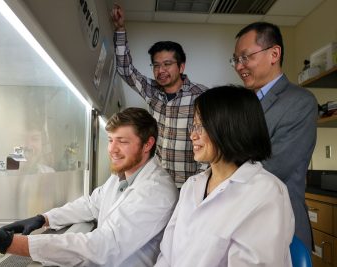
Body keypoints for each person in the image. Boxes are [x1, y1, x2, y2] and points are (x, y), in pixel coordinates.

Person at [0, 107, 179, 267]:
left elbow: (105, 246)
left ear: (148, 144)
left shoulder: (155, 190)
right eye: (110, 140)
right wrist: (43, 218)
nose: (112, 150)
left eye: (122, 142)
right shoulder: (123, 177)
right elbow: (90, 204)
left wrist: (4, 243)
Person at [155, 85, 295, 266]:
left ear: (229, 128)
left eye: (201, 126)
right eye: (193, 125)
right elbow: (167, 254)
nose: (192, 135)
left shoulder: (266, 193)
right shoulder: (192, 185)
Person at [231, 22, 318, 251]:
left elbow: (273, 168)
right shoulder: (243, 104)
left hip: (280, 226)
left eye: (245, 57)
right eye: (235, 60)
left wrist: (221, 176)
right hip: (241, 225)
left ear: (274, 53)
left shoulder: (300, 102)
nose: (239, 66)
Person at [111, 4, 208, 187]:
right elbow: (125, 70)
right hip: (158, 184)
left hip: (190, 185)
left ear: (181, 67)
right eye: (156, 65)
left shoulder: (201, 95)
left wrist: (201, 184)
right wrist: (120, 29)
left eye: (167, 64)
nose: (161, 70)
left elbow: (210, 139)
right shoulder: (151, 91)